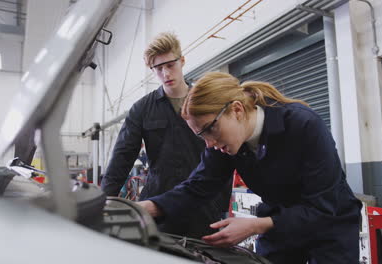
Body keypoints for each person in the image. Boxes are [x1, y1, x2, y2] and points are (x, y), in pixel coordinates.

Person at [138, 72, 362, 263]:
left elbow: (323, 208)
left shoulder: (303, 125)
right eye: (202, 136)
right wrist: (148, 208)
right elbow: (198, 186)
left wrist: (255, 226)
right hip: (278, 224)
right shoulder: (224, 144)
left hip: (330, 225)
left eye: (210, 130)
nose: (210, 144)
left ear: (236, 110)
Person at [101, 33, 231, 239]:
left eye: (170, 65)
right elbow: (122, 156)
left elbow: (227, 148)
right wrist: (103, 203)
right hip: (157, 204)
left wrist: (221, 203)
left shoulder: (206, 101)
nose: (165, 73)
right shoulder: (142, 109)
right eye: (158, 68)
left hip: (203, 205)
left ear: (182, 61)